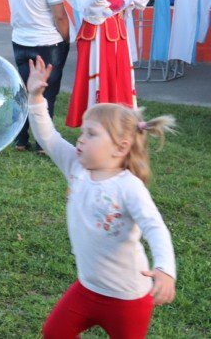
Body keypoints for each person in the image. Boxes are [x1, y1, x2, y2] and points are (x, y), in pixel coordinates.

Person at [27, 56, 176, 338]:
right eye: (82, 132)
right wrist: (36, 97)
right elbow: (48, 137)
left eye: (91, 134)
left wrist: (165, 269)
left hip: (128, 299)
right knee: (54, 333)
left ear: (120, 148)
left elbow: (155, 228)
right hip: (86, 288)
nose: (80, 139)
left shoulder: (129, 187)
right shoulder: (76, 166)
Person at [66, 0, 154, 127]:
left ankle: (97, 123)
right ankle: (118, 121)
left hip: (97, 31)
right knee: (117, 74)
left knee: (98, 72)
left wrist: (99, 10)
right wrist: (122, 7)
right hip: (117, 30)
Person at [4, 0, 70, 153]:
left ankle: (21, 140)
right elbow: (59, 14)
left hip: (20, 40)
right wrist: (66, 37)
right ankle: (43, 143)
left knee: (23, 91)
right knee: (47, 93)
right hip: (46, 41)